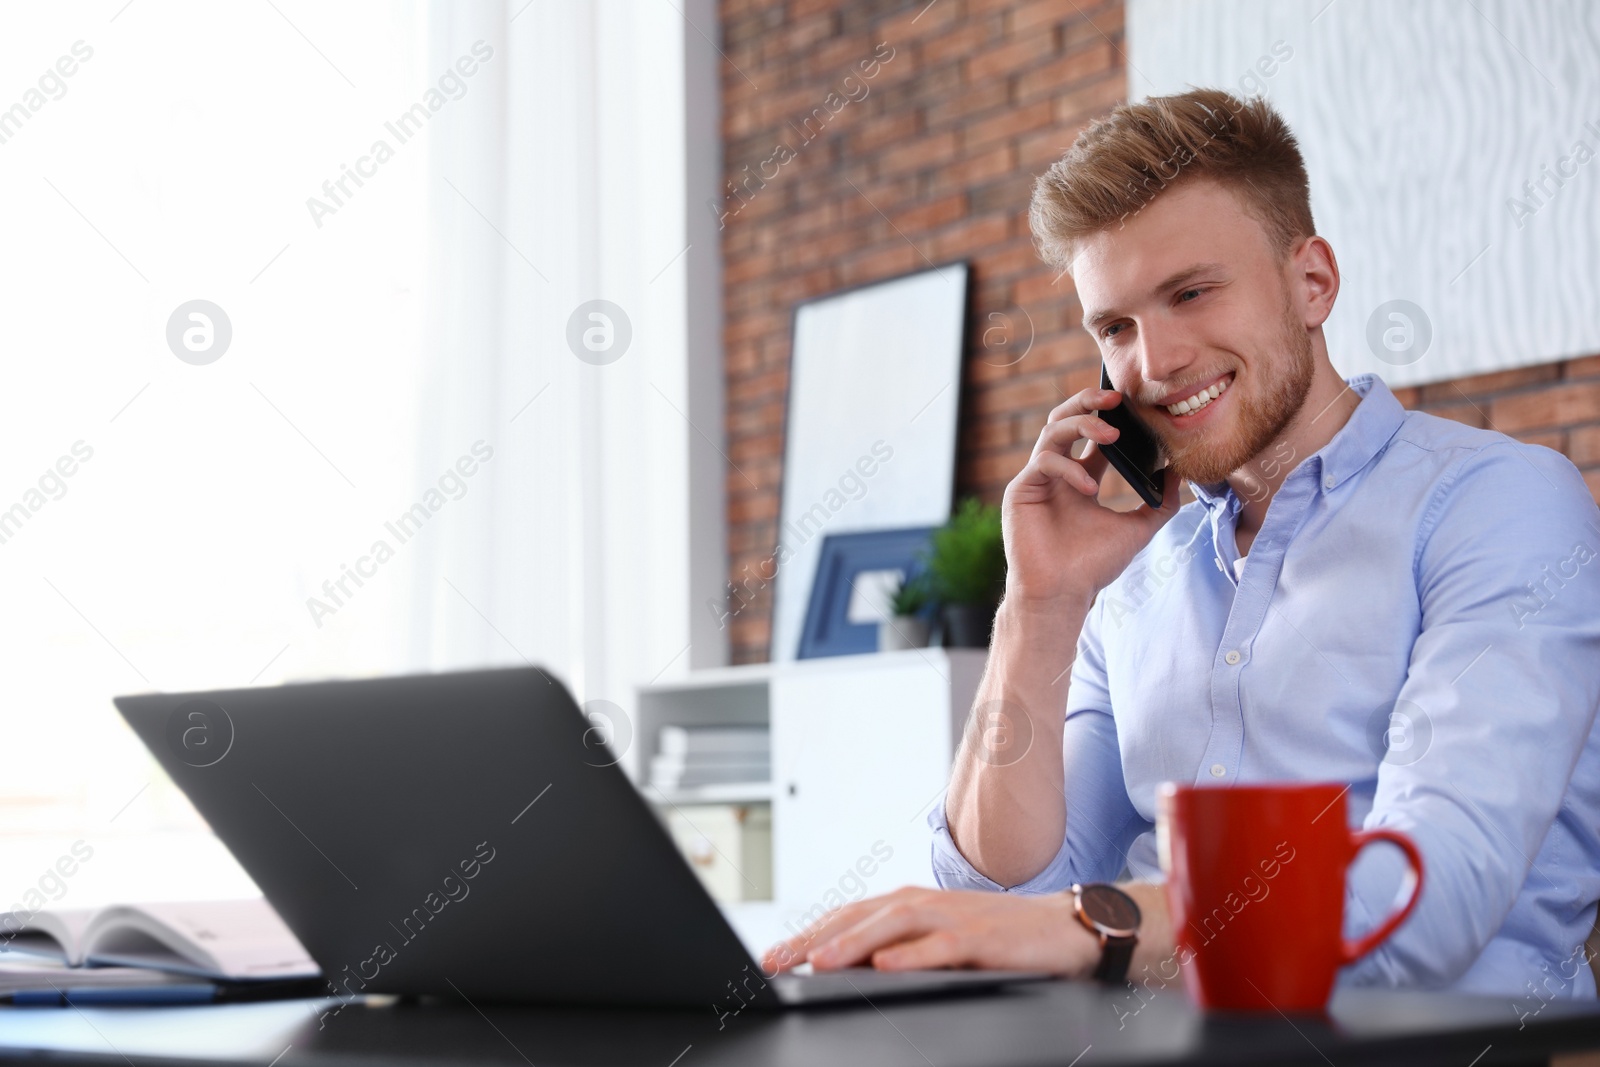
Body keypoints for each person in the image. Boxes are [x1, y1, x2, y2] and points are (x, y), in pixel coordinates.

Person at [761, 88, 1600, 999]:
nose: (1154, 364)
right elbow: (1004, 889)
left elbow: (1427, 906)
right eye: (1115, 326)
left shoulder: (1498, 504)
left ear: (1312, 281)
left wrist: (1093, 925)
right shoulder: (1130, 571)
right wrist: (1039, 603)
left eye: (1192, 293)